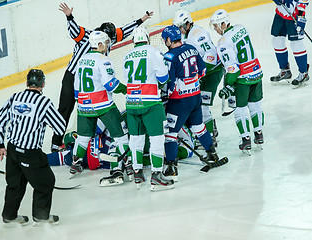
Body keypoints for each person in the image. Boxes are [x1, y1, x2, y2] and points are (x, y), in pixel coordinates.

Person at [51, 2, 153, 152]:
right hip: (73, 76)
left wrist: (141, 20)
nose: (111, 42)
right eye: (109, 39)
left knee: (93, 107)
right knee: (65, 109)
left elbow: (123, 31)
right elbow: (74, 31)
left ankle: (89, 138)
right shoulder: (88, 36)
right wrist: (69, 16)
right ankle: (56, 142)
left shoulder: (108, 38)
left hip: (93, 79)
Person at [0, 69, 66, 226]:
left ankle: (9, 216)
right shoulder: (43, 103)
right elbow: (60, 125)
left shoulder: (15, 97)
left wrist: (0, 144)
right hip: (30, 154)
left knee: (15, 184)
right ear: (43, 84)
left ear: (26, 83)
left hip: (12, 150)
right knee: (46, 182)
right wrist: (56, 143)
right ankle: (40, 216)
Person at [161, 25, 219, 180]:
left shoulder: (169, 56)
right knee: (199, 127)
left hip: (179, 102)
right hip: (195, 97)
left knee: (171, 134)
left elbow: (169, 83)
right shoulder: (192, 48)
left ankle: (171, 166)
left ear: (168, 40)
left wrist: (164, 95)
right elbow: (203, 70)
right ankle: (212, 154)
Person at [70, 31, 129, 180]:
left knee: (83, 136)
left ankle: (75, 163)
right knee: (120, 135)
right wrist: (127, 90)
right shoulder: (103, 60)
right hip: (103, 105)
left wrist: (82, 102)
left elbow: (76, 86)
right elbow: (111, 84)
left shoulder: (82, 60)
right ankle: (129, 163)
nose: (107, 46)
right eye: (106, 43)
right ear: (100, 44)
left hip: (83, 105)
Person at [122, 26, 173, 191]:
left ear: (133, 41)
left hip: (131, 104)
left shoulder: (126, 56)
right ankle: (156, 175)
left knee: (136, 139)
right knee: (157, 138)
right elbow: (164, 77)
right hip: (150, 103)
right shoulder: (153, 51)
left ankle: (137, 173)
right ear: (147, 39)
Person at [210, 9, 264, 155]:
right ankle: (259, 135)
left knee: (240, 110)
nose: (215, 29)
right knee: (256, 106)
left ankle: (246, 140)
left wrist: (228, 85)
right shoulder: (241, 28)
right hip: (256, 72)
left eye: (216, 26)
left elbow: (233, 69)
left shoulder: (223, 42)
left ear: (223, 23)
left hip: (242, 79)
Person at [172, 10, 224, 146]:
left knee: (203, 107)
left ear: (188, 24)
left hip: (212, 71)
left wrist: (196, 73)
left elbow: (211, 56)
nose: (179, 30)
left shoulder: (198, 34)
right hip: (202, 72)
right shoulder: (185, 35)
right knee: (195, 103)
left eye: (180, 27)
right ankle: (209, 128)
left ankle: (211, 136)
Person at [270, 0, 309, 86]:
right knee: (277, 41)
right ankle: (285, 70)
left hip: (294, 15)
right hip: (280, 13)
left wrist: (301, 16)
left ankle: (304, 73)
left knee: (296, 43)